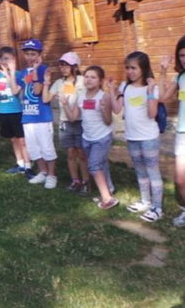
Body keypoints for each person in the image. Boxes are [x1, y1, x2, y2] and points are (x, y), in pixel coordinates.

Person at [108, 51, 163, 223]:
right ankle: (145, 201)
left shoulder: (151, 87)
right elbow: (117, 109)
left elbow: (152, 113)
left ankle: (157, 207)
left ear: (143, 68)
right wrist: (110, 90)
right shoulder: (125, 86)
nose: (130, 71)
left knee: (152, 172)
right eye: (127, 68)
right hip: (132, 137)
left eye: (134, 68)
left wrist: (150, 91)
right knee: (140, 171)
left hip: (148, 137)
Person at [61, 66, 118, 209]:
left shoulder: (103, 96)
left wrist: (105, 108)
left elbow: (108, 121)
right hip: (87, 138)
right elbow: (73, 117)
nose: (89, 80)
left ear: (100, 81)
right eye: (86, 76)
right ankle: (108, 189)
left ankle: (107, 199)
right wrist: (65, 104)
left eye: (93, 77)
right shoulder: (81, 96)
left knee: (93, 166)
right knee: (101, 165)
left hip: (102, 137)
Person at [8, 39, 58, 188]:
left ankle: (51, 175)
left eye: (33, 54)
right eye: (27, 54)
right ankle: (42, 172)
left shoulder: (44, 70)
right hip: (28, 117)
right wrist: (11, 72)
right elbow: (15, 91)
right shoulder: (23, 73)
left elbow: (37, 91)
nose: (29, 57)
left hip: (42, 117)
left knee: (46, 147)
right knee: (33, 148)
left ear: (40, 54)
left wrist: (35, 70)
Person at [43, 52, 90, 193]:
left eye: (66, 66)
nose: (63, 68)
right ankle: (75, 181)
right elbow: (46, 99)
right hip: (65, 122)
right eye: (61, 65)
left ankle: (86, 182)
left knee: (81, 153)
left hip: (81, 121)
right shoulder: (59, 83)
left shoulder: (82, 80)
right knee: (70, 153)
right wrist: (46, 82)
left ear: (75, 66)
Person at [0, 46, 31, 175]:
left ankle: (28, 166)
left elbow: (15, 91)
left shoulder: (19, 75)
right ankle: (19, 163)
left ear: (13, 60)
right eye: (3, 59)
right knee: (13, 139)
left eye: (8, 59)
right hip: (3, 113)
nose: (5, 62)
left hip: (16, 112)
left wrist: (11, 74)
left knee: (22, 140)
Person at [160, 37, 185, 227]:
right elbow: (162, 97)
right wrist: (163, 71)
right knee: (180, 179)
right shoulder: (180, 78)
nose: (184, 59)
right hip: (182, 134)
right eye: (181, 55)